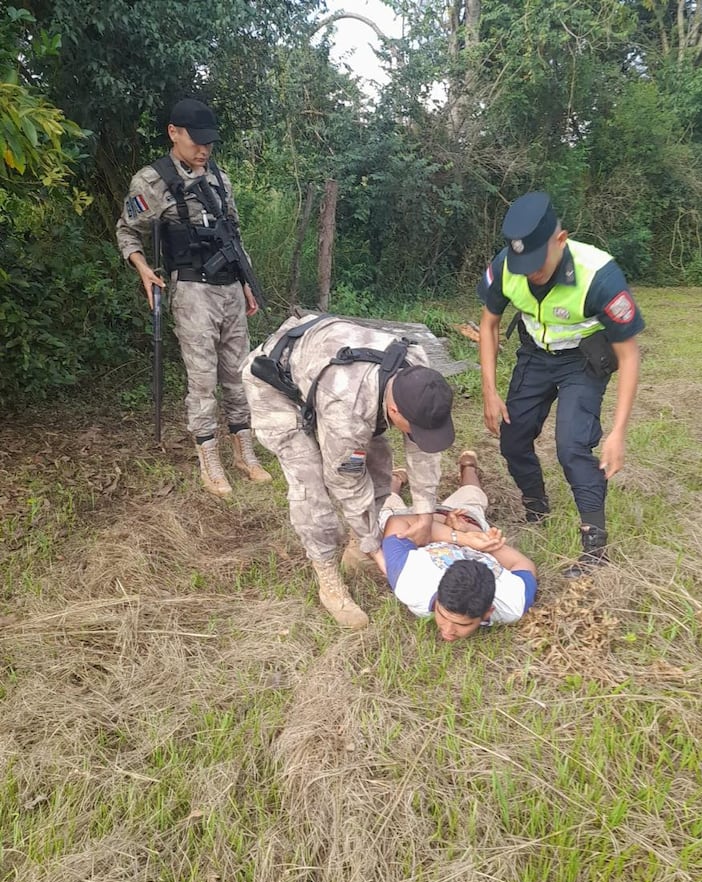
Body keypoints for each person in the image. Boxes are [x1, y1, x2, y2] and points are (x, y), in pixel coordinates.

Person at [242, 313, 456, 630]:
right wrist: (375, 547)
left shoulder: (419, 370)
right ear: (394, 409)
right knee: (310, 483)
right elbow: (347, 482)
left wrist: (425, 514)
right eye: (414, 428)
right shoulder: (347, 409)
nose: (417, 436)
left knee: (379, 461)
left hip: (328, 370)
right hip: (275, 386)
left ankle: (358, 547)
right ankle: (327, 575)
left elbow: (422, 449)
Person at [477, 191, 643, 575]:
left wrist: (619, 432)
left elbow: (630, 354)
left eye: (536, 263)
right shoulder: (505, 266)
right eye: (522, 264)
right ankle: (536, 508)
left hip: (582, 361)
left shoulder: (599, 276)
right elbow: (489, 323)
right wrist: (489, 390)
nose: (530, 273)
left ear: (561, 240)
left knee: (572, 446)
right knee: (512, 437)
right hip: (535, 355)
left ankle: (594, 546)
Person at [116, 97, 271, 497]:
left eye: (209, 142)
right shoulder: (152, 180)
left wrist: (246, 281)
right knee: (203, 380)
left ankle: (244, 451)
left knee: (238, 374)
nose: (204, 149)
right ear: (174, 133)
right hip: (192, 291)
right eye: (196, 141)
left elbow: (233, 232)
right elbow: (127, 231)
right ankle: (209, 458)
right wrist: (143, 268)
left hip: (229, 289)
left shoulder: (219, 177)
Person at [375, 451, 537, 642]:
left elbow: (397, 523)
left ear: (488, 612)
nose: (448, 630)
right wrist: (471, 536)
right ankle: (396, 478)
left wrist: (461, 534)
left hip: (430, 524)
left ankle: (468, 467)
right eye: (443, 615)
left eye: (463, 624)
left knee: (386, 509)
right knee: (471, 498)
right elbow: (523, 564)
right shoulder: (414, 580)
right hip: (459, 522)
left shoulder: (410, 584)